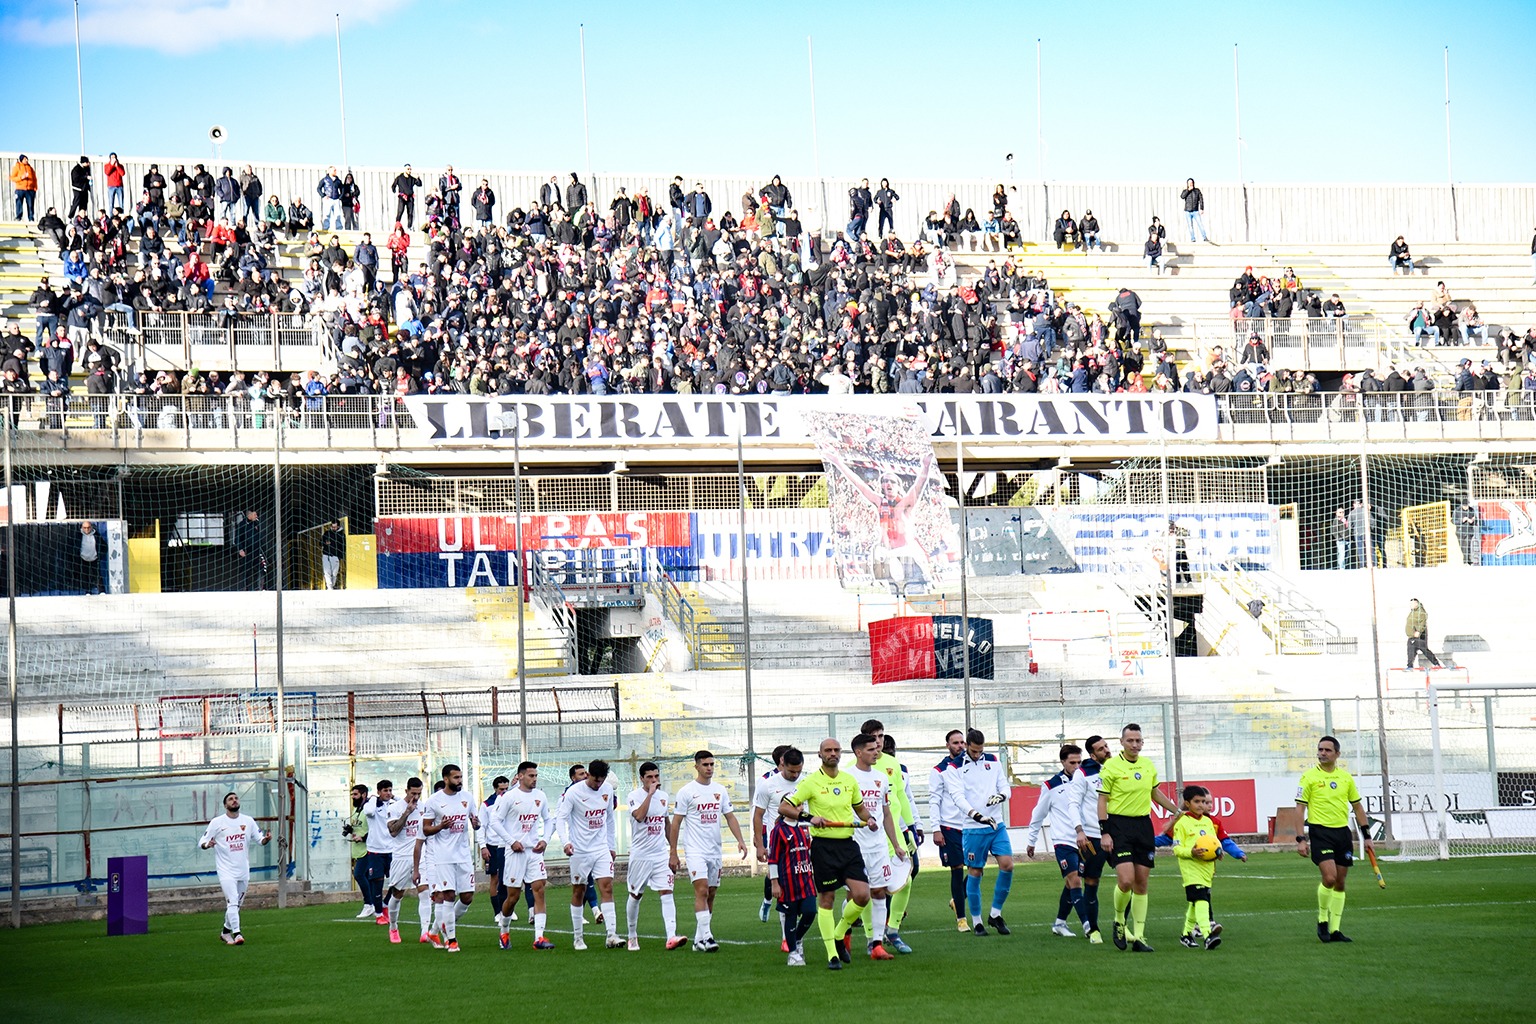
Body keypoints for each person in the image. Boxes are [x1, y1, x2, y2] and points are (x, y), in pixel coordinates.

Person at [779, 737, 876, 971]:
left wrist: (870, 819)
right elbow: (784, 807)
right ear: (820, 754)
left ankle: (839, 933)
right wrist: (809, 817)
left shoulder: (849, 780)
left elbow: (860, 809)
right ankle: (832, 955)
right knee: (827, 899)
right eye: (828, 750)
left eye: (836, 750)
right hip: (823, 847)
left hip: (848, 845)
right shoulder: (811, 782)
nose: (833, 753)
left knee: (862, 895)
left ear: (841, 753)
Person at [1098, 722, 1181, 952]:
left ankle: (1140, 937)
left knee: (1141, 883)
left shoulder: (1147, 765)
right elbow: (1102, 800)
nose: (1135, 744)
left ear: (1142, 743)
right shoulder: (1111, 767)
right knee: (1126, 881)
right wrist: (1104, 831)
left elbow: (1155, 793)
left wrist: (1176, 811)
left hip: (1143, 825)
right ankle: (1118, 921)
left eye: (1138, 741)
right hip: (1118, 825)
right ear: (1122, 742)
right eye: (1130, 740)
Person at [824, 450, 936, 597]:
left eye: (892, 481)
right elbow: (859, 484)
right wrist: (837, 462)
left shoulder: (904, 504)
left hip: (906, 553)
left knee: (917, 593)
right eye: (884, 481)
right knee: (894, 593)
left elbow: (918, 487)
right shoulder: (880, 503)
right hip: (888, 554)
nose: (887, 483)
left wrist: (925, 467)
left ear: (898, 486)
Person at [1295, 736, 1374, 942]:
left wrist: (1367, 836)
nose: (1322, 753)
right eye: (1320, 749)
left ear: (1337, 754)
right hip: (1320, 833)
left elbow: (1357, 807)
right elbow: (1300, 808)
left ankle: (1335, 930)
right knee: (1329, 878)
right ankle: (1322, 919)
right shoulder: (1308, 777)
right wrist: (1300, 839)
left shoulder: (1345, 778)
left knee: (1340, 882)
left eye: (1327, 750)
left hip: (1342, 834)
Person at [670, 749, 748, 952]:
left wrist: (740, 840)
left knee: (711, 893)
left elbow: (730, 816)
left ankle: (698, 940)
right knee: (702, 889)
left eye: (712, 764)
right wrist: (673, 852)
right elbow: (676, 823)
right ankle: (708, 936)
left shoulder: (720, 790)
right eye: (705, 764)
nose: (709, 768)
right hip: (695, 850)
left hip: (714, 850)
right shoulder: (686, 792)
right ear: (696, 766)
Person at [841, 733, 910, 960]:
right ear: (858, 752)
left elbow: (886, 813)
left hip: (878, 846)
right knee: (855, 895)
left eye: (877, 748)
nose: (876, 752)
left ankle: (876, 945)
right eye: (871, 749)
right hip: (855, 845)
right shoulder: (846, 777)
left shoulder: (881, 778)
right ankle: (845, 934)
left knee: (879, 891)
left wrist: (896, 844)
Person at [940, 727, 1013, 936]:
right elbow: (957, 797)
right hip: (973, 828)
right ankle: (978, 921)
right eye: (973, 751)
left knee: (1007, 865)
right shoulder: (954, 767)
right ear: (967, 747)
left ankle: (995, 914)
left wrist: (1001, 796)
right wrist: (976, 815)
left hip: (996, 824)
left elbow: (1005, 786)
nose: (977, 754)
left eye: (980, 751)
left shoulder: (993, 761)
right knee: (975, 871)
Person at [860, 719, 918, 951]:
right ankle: (870, 937)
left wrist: (911, 826)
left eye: (881, 736)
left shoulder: (893, 764)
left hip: (894, 833)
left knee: (906, 880)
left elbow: (900, 797)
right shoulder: (852, 770)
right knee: (868, 887)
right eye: (874, 737)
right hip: (868, 836)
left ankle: (893, 930)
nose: (879, 741)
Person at [1025, 744, 1093, 938]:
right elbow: (1038, 814)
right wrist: (1031, 840)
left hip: (1084, 841)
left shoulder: (1087, 780)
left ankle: (1060, 923)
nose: (1077, 766)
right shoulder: (1051, 786)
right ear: (1062, 762)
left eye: (1079, 762)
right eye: (1072, 762)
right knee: (1075, 880)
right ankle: (1088, 926)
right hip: (1063, 841)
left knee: (1071, 884)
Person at [1167, 785, 1245, 950]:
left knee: (1195, 902)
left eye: (1203, 801)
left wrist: (1218, 852)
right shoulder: (1181, 823)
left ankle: (1186, 935)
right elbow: (1177, 849)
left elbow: (1213, 843)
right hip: (1191, 869)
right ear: (1187, 803)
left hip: (1207, 869)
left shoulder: (1208, 822)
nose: (1201, 805)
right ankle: (1208, 935)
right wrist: (1192, 852)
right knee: (1202, 900)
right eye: (1197, 801)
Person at [493, 761, 557, 950]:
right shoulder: (509, 797)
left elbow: (549, 820)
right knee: (513, 897)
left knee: (539, 889)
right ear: (520, 776)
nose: (534, 779)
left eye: (536, 775)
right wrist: (511, 841)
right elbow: (495, 821)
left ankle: (539, 938)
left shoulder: (540, 796)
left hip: (534, 851)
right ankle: (504, 931)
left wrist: (545, 840)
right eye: (531, 775)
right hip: (515, 852)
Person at [559, 758, 620, 950]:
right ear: (587, 775)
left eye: (601, 781)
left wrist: (611, 845)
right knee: (579, 890)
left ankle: (611, 935)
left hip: (601, 848)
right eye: (595, 780)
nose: (598, 784)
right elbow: (561, 818)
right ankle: (578, 938)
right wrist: (566, 842)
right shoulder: (574, 792)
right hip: (580, 849)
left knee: (607, 887)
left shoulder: (607, 790)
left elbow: (609, 819)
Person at [625, 761, 686, 951]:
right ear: (642, 778)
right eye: (649, 777)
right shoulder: (634, 796)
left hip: (660, 855)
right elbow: (639, 816)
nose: (654, 780)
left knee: (667, 892)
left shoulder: (663, 797)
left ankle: (671, 936)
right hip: (641, 855)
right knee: (636, 895)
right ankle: (632, 935)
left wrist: (673, 851)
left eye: (656, 776)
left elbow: (666, 824)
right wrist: (650, 795)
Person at [420, 763, 481, 952]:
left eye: (461, 777)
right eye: (456, 777)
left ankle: (438, 928)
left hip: (463, 854)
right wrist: (440, 826)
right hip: (443, 855)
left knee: (467, 897)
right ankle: (452, 939)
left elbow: (476, 823)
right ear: (446, 779)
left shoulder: (467, 797)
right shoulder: (434, 800)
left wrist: (476, 824)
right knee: (448, 894)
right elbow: (425, 829)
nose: (459, 781)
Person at [766, 755, 818, 967]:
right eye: (797, 805)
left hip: (806, 880)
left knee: (810, 912)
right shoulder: (779, 830)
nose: (801, 808)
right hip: (787, 882)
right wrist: (775, 883)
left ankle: (795, 940)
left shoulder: (805, 828)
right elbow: (773, 858)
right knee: (790, 915)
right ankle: (794, 953)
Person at [199, 791, 270, 945]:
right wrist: (207, 844)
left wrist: (266, 839)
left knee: (237, 904)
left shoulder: (248, 821)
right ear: (225, 805)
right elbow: (202, 842)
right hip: (226, 871)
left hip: (243, 870)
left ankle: (225, 932)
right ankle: (237, 934)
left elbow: (260, 840)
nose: (234, 800)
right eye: (230, 799)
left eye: (236, 798)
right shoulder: (217, 822)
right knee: (232, 902)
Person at [752, 745, 802, 942]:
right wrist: (760, 843)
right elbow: (758, 814)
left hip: (802, 842)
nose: (795, 774)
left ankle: (791, 927)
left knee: (800, 887)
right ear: (782, 762)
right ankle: (785, 936)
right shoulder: (766, 783)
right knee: (783, 885)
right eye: (791, 769)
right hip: (779, 841)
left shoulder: (806, 781)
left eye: (798, 770)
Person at [1069, 734, 1111, 943]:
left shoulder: (1117, 768)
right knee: (1092, 881)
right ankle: (1093, 930)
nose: (1107, 750)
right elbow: (1073, 803)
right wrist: (1079, 830)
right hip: (1093, 836)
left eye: (1106, 746)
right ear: (1093, 755)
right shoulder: (1083, 773)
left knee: (1128, 879)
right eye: (1101, 749)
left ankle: (1122, 925)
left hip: (1118, 833)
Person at [927, 729, 970, 934]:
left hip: (971, 825)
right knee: (957, 869)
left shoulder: (971, 766)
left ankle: (957, 899)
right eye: (955, 743)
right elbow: (934, 800)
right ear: (947, 746)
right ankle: (961, 919)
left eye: (962, 742)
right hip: (950, 826)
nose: (960, 746)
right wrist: (936, 829)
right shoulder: (939, 770)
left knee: (977, 868)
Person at [382, 776, 430, 944]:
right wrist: (407, 813)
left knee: (424, 891)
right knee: (397, 894)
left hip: (421, 855)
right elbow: (394, 831)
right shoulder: (395, 808)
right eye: (413, 793)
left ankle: (425, 931)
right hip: (401, 856)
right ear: (406, 791)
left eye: (418, 793)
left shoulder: (424, 807)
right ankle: (393, 927)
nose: (415, 797)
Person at [359, 779, 398, 924]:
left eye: (390, 790)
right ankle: (379, 914)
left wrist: (394, 797)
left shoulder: (393, 805)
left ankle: (385, 904)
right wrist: (374, 799)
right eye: (385, 791)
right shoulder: (371, 805)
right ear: (379, 792)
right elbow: (369, 812)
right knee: (377, 883)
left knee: (397, 881)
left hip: (392, 849)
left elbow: (407, 804)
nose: (388, 793)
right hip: (376, 850)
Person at [479, 774, 510, 928]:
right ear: (495, 789)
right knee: (495, 878)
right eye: (501, 789)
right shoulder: (487, 805)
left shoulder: (510, 801)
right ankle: (497, 911)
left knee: (508, 878)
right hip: (492, 845)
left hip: (507, 844)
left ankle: (507, 909)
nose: (504, 792)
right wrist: (483, 846)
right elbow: (481, 827)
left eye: (506, 788)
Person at [343, 783, 371, 918]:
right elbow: (359, 827)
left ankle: (368, 904)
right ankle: (376, 905)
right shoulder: (357, 810)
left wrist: (363, 837)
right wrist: (350, 830)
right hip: (358, 850)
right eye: (352, 794)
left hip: (368, 849)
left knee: (359, 874)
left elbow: (376, 829)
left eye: (355, 794)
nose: (353, 797)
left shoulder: (369, 810)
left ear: (363, 795)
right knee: (367, 878)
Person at [232, 509, 268, 590]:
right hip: (247, 551)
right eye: (255, 514)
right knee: (246, 571)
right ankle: (244, 588)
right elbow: (237, 538)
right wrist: (240, 549)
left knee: (261, 569)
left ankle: (259, 588)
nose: (256, 516)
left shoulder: (256, 523)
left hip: (257, 551)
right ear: (249, 515)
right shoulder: (242, 525)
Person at [1405, 598, 1441, 669]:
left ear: (1417, 604)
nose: (1411, 605)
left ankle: (1436, 663)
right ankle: (1409, 666)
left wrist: (1419, 631)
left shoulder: (1421, 612)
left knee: (1425, 650)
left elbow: (1423, 623)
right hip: (1411, 636)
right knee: (1410, 652)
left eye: (1413, 603)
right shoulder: (1412, 612)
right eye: (1410, 604)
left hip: (1419, 636)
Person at [76, 520, 102, 595]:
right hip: (83, 558)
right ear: (82, 528)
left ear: (91, 527)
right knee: (85, 576)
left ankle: (101, 591)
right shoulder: (78, 536)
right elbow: (74, 546)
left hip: (94, 558)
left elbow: (103, 545)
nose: (86, 529)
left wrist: (99, 555)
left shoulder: (96, 535)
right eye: (85, 528)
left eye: (88, 527)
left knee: (97, 575)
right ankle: (87, 591)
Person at [1180, 178, 1208, 242]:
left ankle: (1204, 237)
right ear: (1187, 184)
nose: (1190, 184)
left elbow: (1201, 199)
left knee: (1200, 224)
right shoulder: (1185, 191)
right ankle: (1193, 238)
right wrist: (1188, 190)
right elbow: (1182, 196)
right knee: (1190, 226)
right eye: (1189, 183)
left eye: (1191, 183)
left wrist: (1201, 208)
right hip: (1187, 211)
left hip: (1195, 211)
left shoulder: (1197, 191)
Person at [320, 519, 345, 589]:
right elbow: (320, 542)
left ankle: (332, 585)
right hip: (326, 555)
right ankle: (329, 586)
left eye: (335, 527)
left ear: (338, 526)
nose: (333, 528)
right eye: (332, 526)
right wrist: (325, 543)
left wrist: (340, 557)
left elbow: (343, 547)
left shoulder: (342, 535)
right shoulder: (327, 533)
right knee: (327, 572)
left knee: (334, 573)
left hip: (335, 556)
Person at [11, 154, 37, 221]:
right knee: (19, 203)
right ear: (21, 160)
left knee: (30, 204)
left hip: (30, 190)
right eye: (25, 159)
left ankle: (31, 218)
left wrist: (35, 188)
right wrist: (21, 177)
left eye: (27, 159)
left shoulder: (30, 168)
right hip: (20, 189)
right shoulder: (17, 167)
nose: (26, 160)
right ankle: (18, 217)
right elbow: (12, 178)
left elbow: (34, 179)